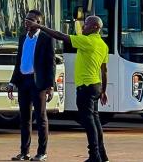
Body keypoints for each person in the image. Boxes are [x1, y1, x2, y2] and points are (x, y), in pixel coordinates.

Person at [29, 15, 109, 162]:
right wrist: (103, 91)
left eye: (86, 25)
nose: (83, 27)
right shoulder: (103, 45)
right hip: (96, 86)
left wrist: (40, 27)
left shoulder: (87, 41)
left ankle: (94, 155)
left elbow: (60, 36)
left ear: (95, 28)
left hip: (86, 86)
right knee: (95, 121)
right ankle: (102, 156)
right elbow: (104, 70)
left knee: (89, 122)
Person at [6, 10, 56, 161]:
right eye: (26, 19)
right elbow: (19, 62)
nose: (27, 22)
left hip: (38, 83)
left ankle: (42, 152)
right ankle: (24, 152)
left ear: (38, 23)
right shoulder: (23, 38)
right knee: (24, 118)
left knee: (41, 117)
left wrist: (50, 86)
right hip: (23, 81)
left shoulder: (46, 39)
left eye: (31, 20)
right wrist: (12, 82)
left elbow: (51, 63)